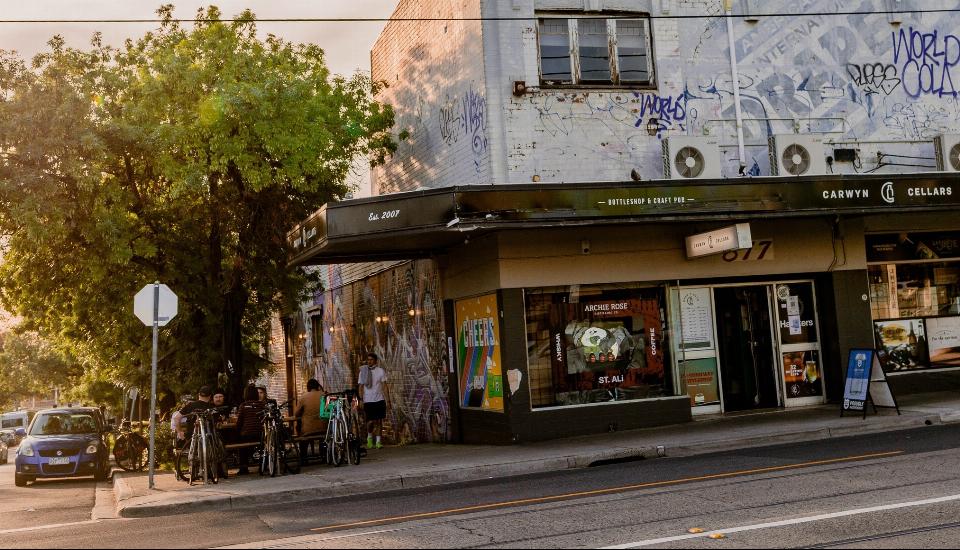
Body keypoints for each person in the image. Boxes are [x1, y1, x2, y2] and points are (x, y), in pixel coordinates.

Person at [358, 353, 390, 450]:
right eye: (368, 360)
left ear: (375, 361)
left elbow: (384, 386)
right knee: (370, 422)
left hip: (379, 399)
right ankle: (369, 438)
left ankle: (378, 442)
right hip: (368, 400)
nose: (369, 361)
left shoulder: (380, 371)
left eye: (371, 360)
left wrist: (388, 400)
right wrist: (361, 400)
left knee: (379, 421)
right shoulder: (363, 372)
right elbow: (360, 387)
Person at [235, 385, 267, 475]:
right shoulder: (262, 405)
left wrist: (237, 431)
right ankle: (264, 465)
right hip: (261, 434)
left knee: (241, 445)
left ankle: (244, 468)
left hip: (247, 435)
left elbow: (239, 423)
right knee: (264, 444)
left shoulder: (243, 406)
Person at [294, 379, 328, 458]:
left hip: (308, 430)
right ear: (318, 386)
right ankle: (324, 455)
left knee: (300, 430)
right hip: (325, 428)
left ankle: (303, 458)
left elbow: (296, 414)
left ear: (308, 387)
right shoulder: (324, 395)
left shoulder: (303, 397)